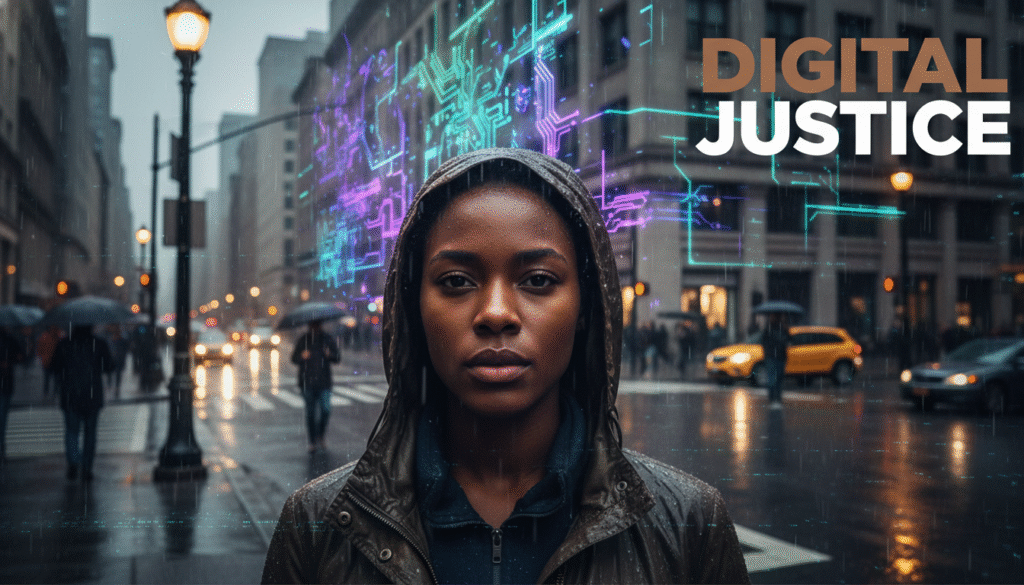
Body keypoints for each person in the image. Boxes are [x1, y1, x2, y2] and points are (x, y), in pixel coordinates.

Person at [262, 148, 749, 584]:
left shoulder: (690, 525)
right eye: (456, 281)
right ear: (413, 309)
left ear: (586, 309)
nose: (495, 312)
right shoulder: (314, 525)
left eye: (538, 280)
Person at [50, 324, 114, 481]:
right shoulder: (99, 343)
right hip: (92, 395)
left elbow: (54, 367)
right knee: (90, 433)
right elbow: (109, 366)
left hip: (70, 394)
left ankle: (73, 462)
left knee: (72, 431)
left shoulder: (65, 344)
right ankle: (87, 467)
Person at [292, 319, 341, 453]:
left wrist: (329, 355)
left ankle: (320, 435)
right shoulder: (304, 340)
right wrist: (302, 356)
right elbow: (294, 358)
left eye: (316, 325)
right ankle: (312, 441)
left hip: (324, 382)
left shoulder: (327, 339)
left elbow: (337, 357)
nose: (314, 328)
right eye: (312, 325)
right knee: (310, 413)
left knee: (325, 410)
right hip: (307, 382)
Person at [0, 327, 26, 461]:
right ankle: (1, 443)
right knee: (2, 416)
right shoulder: (11, 340)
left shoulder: (11, 340)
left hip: (6, 383)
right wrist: (9, 362)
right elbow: (21, 357)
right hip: (6, 383)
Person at [761, 313, 791, 408]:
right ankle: (774, 398)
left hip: (779, 357)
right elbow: (763, 341)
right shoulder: (769, 328)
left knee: (778, 378)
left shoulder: (783, 328)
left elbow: (789, 340)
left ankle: (776, 398)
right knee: (773, 379)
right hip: (773, 357)